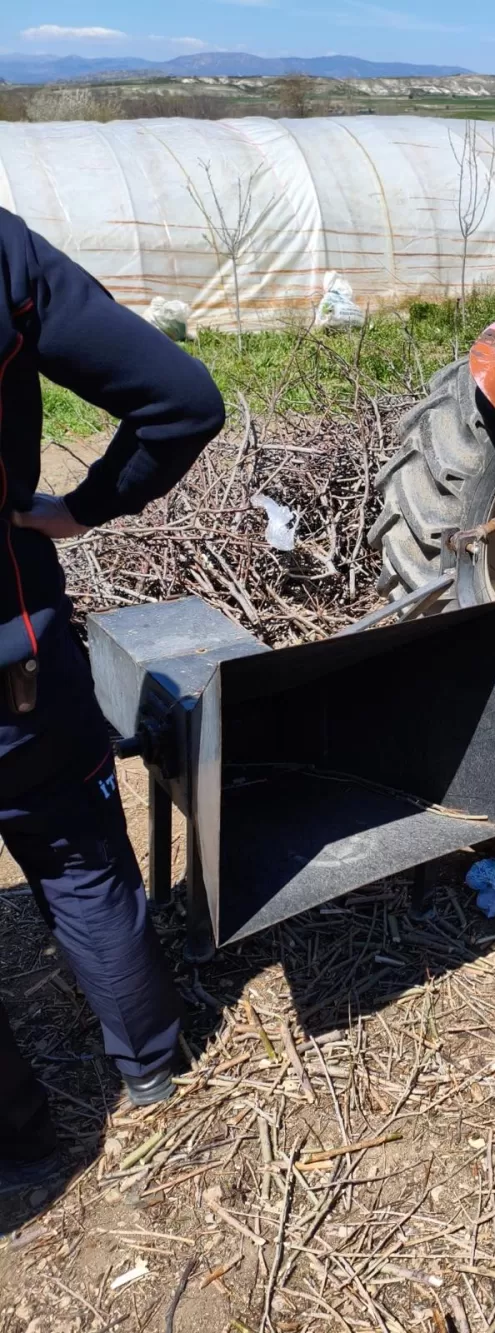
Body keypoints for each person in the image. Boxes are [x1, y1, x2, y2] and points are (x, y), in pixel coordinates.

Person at [0, 206, 225, 1192]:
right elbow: (183, 400)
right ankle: (150, 1068)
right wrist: (85, 506)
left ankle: (20, 1146)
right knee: (74, 850)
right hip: (14, 659)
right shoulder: (3, 252)